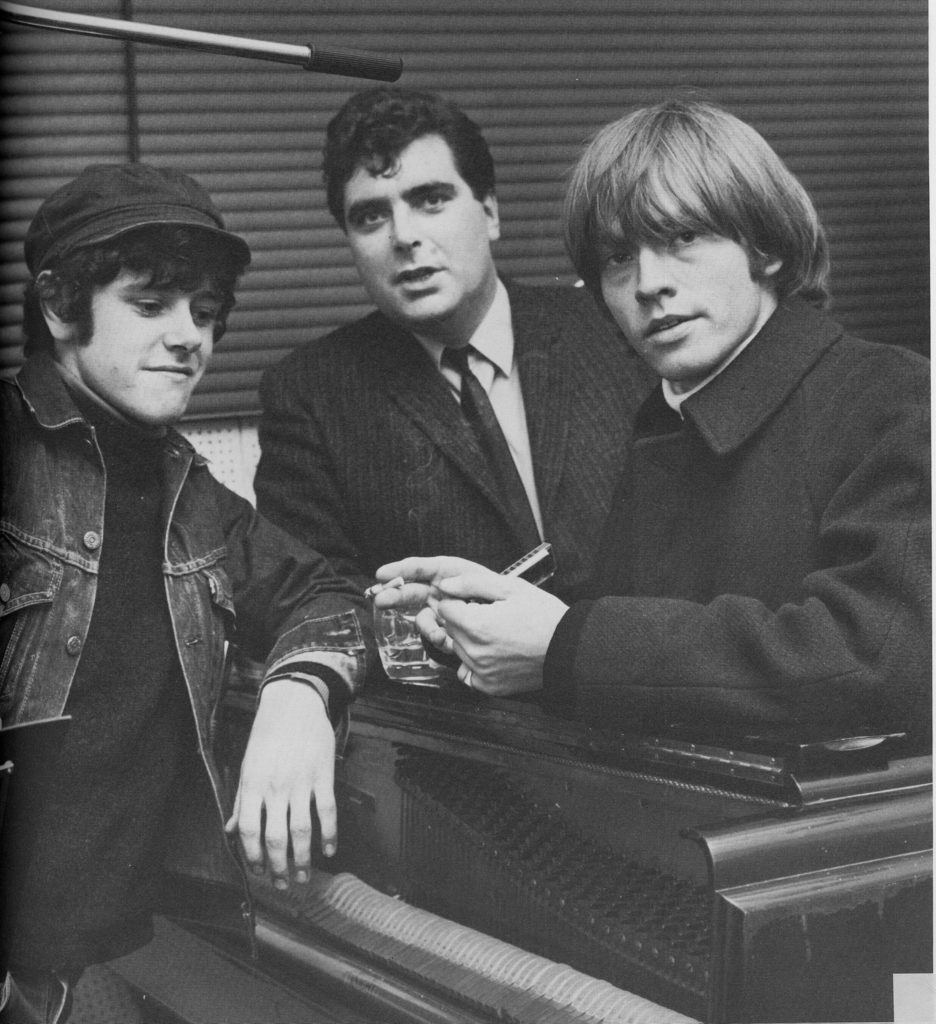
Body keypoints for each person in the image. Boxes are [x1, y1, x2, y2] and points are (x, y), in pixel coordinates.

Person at [374, 99, 931, 748]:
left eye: (682, 237)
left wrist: (563, 646)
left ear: (768, 247)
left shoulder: (894, 396)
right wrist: (484, 629)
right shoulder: (664, 417)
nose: (648, 283)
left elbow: (881, 659)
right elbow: (646, 669)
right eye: (617, 257)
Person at [0, 163, 373, 1022]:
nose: (189, 338)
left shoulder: (195, 497)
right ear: (59, 305)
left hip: (115, 955)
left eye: (204, 314)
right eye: (151, 304)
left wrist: (300, 692)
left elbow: (327, 595)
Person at [254, 86, 652, 603]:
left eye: (430, 200)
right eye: (370, 216)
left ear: (490, 212)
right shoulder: (309, 394)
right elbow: (314, 598)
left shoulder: (611, 325)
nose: (403, 236)